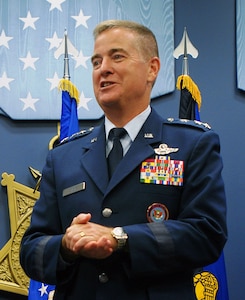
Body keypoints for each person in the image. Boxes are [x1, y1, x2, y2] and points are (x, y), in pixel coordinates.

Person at [20, 20, 227, 300]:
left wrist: (120, 238)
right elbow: (32, 249)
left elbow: (206, 234)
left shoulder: (192, 144)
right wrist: (66, 246)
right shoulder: (63, 156)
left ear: (152, 69)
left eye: (117, 56)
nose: (103, 68)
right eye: (96, 61)